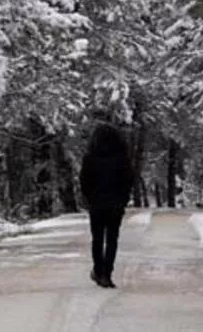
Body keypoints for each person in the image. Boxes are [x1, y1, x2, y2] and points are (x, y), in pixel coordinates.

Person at [79, 123, 134, 288]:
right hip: (116, 204)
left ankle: (98, 270)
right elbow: (128, 180)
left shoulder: (90, 158)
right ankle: (107, 274)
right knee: (112, 239)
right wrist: (123, 199)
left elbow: (84, 180)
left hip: (96, 204)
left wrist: (89, 198)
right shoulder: (122, 158)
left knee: (97, 239)